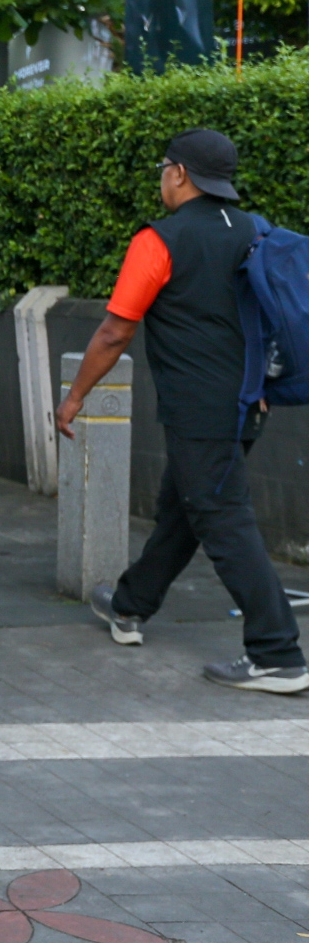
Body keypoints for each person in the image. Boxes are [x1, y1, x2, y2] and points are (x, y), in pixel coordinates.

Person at [58, 129, 307, 693]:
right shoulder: (256, 230)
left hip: (199, 410)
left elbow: (115, 331)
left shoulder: (159, 240)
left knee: (221, 516)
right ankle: (130, 605)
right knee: (183, 507)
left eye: (163, 169)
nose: (162, 178)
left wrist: (74, 397)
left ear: (180, 174)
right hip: (249, 402)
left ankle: (278, 654)